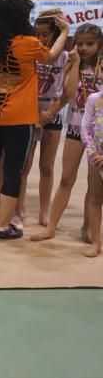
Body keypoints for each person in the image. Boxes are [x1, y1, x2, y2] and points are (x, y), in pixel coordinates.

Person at [0, 0, 69, 240]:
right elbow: (51, 56)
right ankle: (2, 226)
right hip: (19, 116)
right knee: (12, 169)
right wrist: (63, 32)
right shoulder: (29, 43)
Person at [31, 23, 103, 243]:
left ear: (99, 44)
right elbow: (68, 93)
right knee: (66, 178)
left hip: (98, 133)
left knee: (94, 186)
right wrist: (76, 63)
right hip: (74, 127)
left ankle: (88, 227)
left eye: (89, 44)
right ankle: (51, 227)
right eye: (80, 43)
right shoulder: (73, 63)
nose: (84, 48)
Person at [17, 9, 73, 226]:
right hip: (29, 111)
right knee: (25, 164)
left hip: (53, 115)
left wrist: (50, 112)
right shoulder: (32, 53)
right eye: (37, 33)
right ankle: (19, 207)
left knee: (47, 167)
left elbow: (68, 92)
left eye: (45, 34)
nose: (40, 38)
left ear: (56, 33)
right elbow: (24, 84)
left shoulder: (67, 57)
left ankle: (44, 211)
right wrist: (36, 113)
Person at [81, 90, 103, 257]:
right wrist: (93, 153)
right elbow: (85, 128)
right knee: (95, 199)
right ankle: (96, 243)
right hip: (96, 159)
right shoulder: (94, 99)